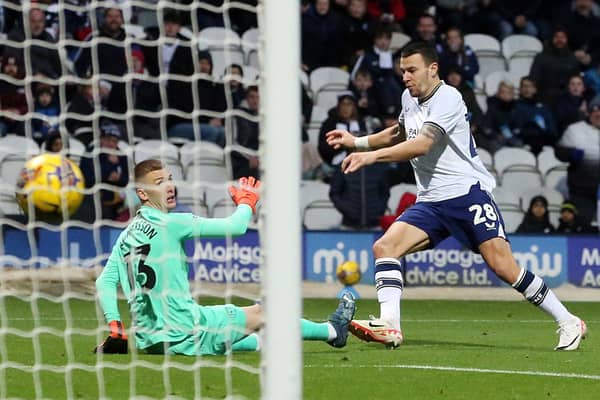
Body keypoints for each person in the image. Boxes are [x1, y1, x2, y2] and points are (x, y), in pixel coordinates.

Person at [325, 42, 586, 351]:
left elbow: (421, 144)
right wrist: (358, 141)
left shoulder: (449, 98)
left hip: (466, 195)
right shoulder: (409, 97)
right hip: (431, 201)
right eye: (402, 71)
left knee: (504, 267)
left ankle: (568, 321)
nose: (405, 77)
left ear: (432, 69)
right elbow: (400, 131)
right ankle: (390, 326)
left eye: (411, 70)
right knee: (386, 246)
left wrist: (372, 157)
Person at [94, 160, 356, 355]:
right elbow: (236, 227)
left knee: (245, 334)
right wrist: (247, 201)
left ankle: (268, 340)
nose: (170, 186)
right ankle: (334, 332)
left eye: (170, 179)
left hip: (150, 343)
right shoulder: (174, 223)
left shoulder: (126, 234)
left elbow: (104, 282)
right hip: (186, 329)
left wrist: (116, 325)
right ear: (142, 193)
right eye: (160, 183)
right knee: (267, 313)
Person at [554, 95, 600, 222]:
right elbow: (559, 151)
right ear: (589, 113)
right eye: (594, 112)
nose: (598, 115)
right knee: (583, 225)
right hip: (582, 190)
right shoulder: (575, 129)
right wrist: (572, 154)